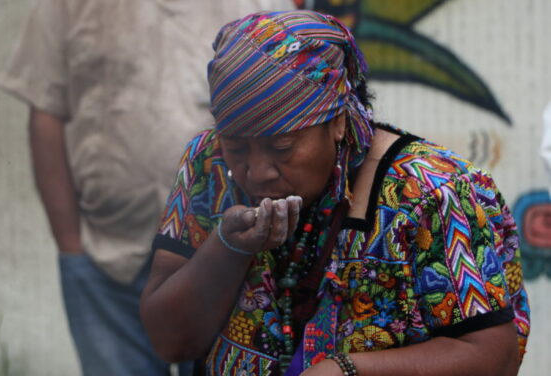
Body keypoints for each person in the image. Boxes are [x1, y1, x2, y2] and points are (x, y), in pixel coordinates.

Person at [141, 10, 531, 375]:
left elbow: (494, 355)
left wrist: (350, 370)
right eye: (237, 147)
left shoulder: (432, 192)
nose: (256, 172)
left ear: (338, 122)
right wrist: (227, 247)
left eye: (281, 147)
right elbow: (169, 342)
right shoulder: (209, 166)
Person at [0, 0, 294, 375]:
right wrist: (71, 247)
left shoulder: (263, 5)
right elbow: (45, 111)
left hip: (226, 259)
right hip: (105, 258)